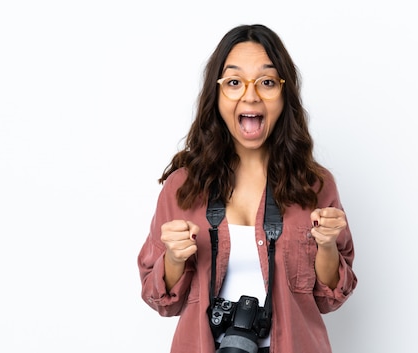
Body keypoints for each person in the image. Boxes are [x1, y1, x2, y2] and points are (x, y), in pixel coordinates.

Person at [138, 24, 357, 353]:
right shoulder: (183, 187)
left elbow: (329, 299)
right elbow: (163, 302)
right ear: (217, 93)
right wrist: (173, 257)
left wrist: (326, 247)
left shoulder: (315, 185)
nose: (250, 95)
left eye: (267, 82)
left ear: (284, 94)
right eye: (234, 82)